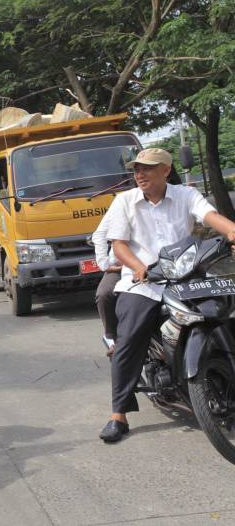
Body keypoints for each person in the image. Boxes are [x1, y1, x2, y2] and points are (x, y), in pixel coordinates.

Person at [99, 148, 235, 443]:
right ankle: (118, 413)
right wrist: (137, 268)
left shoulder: (185, 195)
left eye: (148, 168)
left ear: (166, 170)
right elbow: (119, 246)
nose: (140, 174)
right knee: (131, 334)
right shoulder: (125, 201)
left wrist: (233, 231)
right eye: (137, 169)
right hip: (146, 281)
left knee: (226, 313)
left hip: (188, 276)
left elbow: (210, 216)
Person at [91, 209, 122, 357]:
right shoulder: (124, 201)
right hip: (123, 267)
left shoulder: (177, 198)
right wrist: (105, 264)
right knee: (104, 295)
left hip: (163, 265)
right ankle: (113, 338)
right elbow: (100, 234)